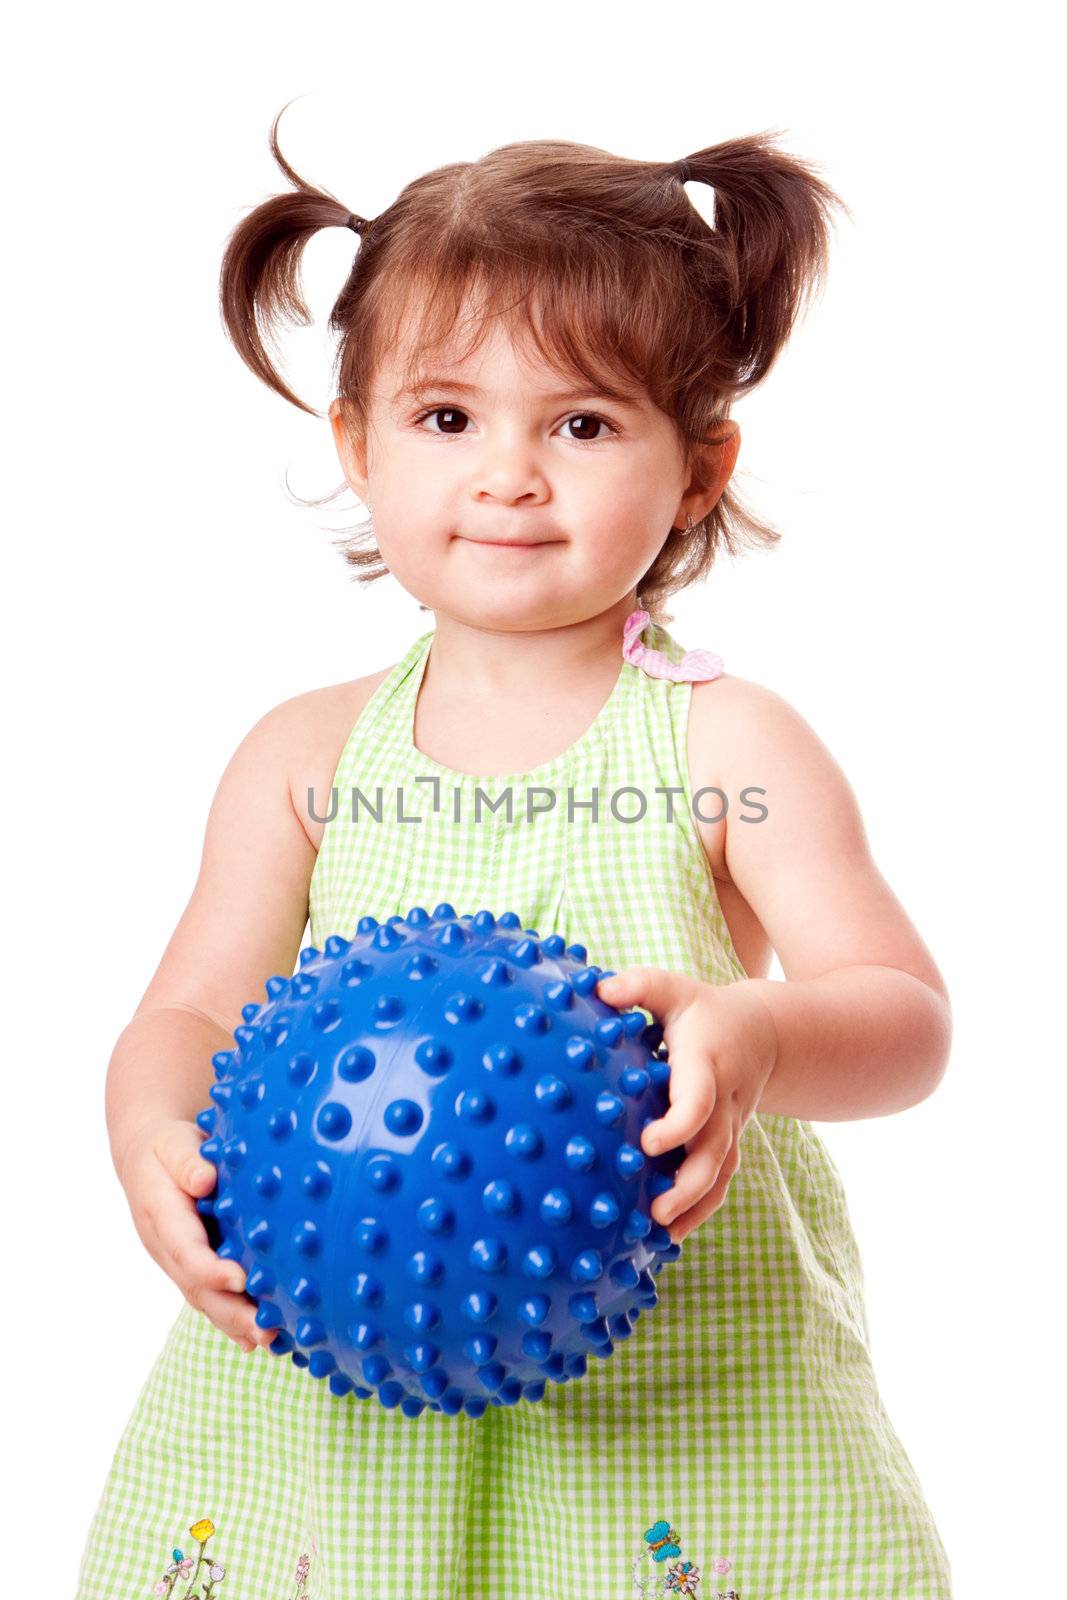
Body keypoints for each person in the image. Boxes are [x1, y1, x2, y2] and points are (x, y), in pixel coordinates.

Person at [74, 103, 954, 1599]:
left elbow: (905, 1021)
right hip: (349, 1338)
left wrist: (753, 1033)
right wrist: (151, 1131)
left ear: (699, 467)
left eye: (584, 423)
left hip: (668, 1376)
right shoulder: (304, 757)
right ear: (355, 442)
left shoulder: (729, 748)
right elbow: (188, 1012)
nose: (509, 476)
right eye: (445, 417)